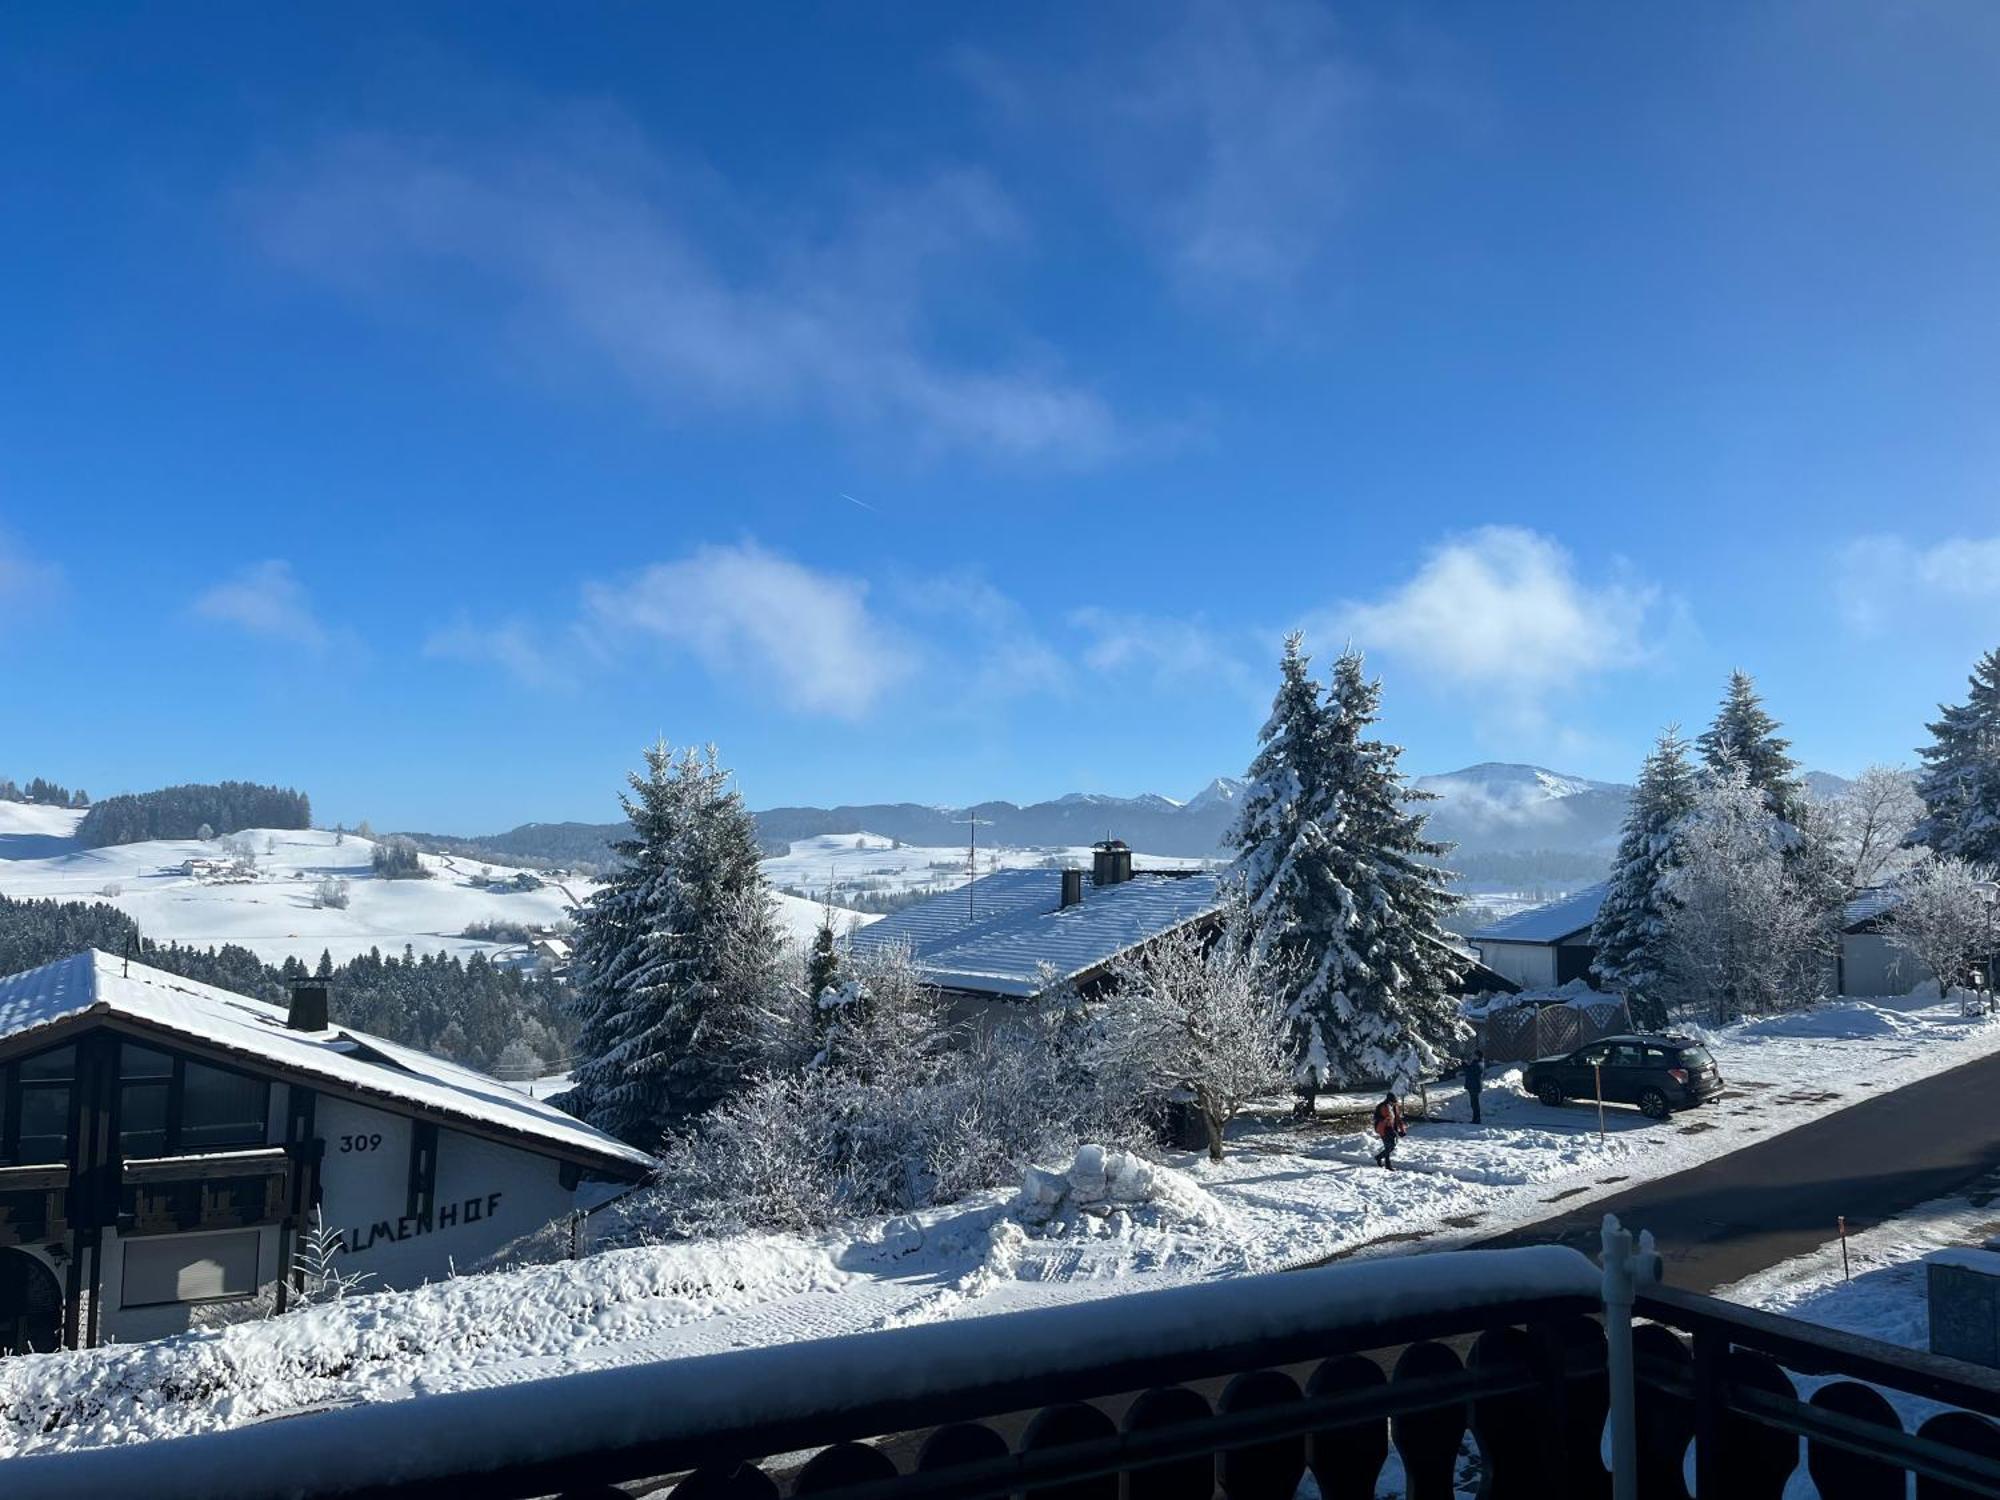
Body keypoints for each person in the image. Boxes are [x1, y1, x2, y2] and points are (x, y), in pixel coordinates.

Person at [1371, 1091, 1405, 1170]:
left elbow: (1398, 1119)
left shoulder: (1394, 1107)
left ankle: (1380, 1158)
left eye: (1395, 1102)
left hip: (1392, 1129)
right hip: (1383, 1129)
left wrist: (1402, 1129)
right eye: (1393, 1101)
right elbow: (1376, 1118)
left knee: (1390, 1147)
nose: (1394, 1103)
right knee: (1389, 1146)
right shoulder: (1381, 1106)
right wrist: (1384, 1120)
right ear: (1388, 1100)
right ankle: (1387, 1164)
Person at [1462, 1050, 1485, 1125]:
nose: (1473, 1056)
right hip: (1473, 1085)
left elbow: (1469, 1071)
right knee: (1474, 1103)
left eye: (1474, 1055)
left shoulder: (1478, 1064)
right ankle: (1475, 1119)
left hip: (1475, 1086)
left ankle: (1477, 1119)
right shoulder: (1477, 1063)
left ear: (1478, 1056)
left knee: (1475, 1104)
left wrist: (1464, 1064)